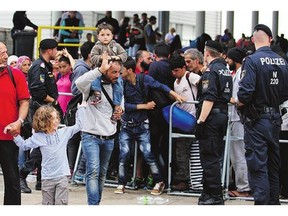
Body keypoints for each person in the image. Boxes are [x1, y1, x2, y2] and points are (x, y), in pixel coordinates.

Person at [114, 56, 185, 195]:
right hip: (127, 124)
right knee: (124, 154)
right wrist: (144, 106)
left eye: (120, 71)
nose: (118, 74)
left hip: (142, 124)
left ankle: (159, 182)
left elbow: (160, 86)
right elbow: (123, 106)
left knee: (148, 154)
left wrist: (174, 94)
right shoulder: (120, 84)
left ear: (129, 70)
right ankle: (121, 183)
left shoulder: (143, 79)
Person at [236, 24, 288, 205]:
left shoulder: (251, 60)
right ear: (270, 40)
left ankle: (263, 206)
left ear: (252, 40)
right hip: (275, 118)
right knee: (273, 165)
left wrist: (237, 102)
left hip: (257, 121)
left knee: (258, 166)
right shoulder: (282, 60)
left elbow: (244, 94)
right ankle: (273, 204)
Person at [5, 101, 87, 205]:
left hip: (62, 176)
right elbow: (24, 145)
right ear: (44, 121)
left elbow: (79, 125)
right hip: (47, 178)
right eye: (53, 118)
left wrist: (81, 109)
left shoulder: (64, 132)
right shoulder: (38, 137)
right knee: (47, 205)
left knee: (61, 204)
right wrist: (15, 134)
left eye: (57, 117)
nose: (57, 120)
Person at [75, 52, 124, 205]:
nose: (117, 75)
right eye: (113, 72)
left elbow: (121, 103)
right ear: (104, 71)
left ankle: (97, 203)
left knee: (102, 173)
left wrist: (120, 110)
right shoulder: (92, 85)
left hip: (109, 135)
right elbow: (79, 83)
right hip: (91, 135)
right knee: (93, 172)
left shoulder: (118, 86)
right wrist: (99, 70)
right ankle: (93, 205)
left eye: (119, 72)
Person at [19, 38, 60, 194]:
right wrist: (54, 101)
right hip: (41, 111)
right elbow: (38, 91)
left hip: (46, 110)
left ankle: (40, 181)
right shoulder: (38, 67)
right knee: (42, 145)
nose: (56, 52)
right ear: (49, 50)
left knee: (46, 146)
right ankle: (22, 174)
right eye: (55, 49)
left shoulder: (46, 66)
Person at [195, 40, 233, 205]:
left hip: (211, 116)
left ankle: (215, 195)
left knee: (209, 157)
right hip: (222, 114)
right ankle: (208, 192)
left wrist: (200, 121)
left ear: (207, 53)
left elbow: (209, 98)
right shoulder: (225, 69)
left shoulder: (211, 70)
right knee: (213, 156)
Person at [0, 42, 30, 205]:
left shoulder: (15, 75)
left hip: (9, 137)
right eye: (1, 53)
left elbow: (24, 101)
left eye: (6, 52)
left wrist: (19, 121)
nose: (5, 56)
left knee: (12, 181)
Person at [169, 53, 202, 191]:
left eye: (177, 70)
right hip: (182, 121)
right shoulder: (175, 83)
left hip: (192, 119)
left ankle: (184, 180)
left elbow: (204, 85)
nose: (174, 73)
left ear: (184, 68)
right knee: (180, 151)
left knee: (184, 151)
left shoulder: (190, 77)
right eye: (172, 71)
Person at [225, 47, 251, 197]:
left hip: (238, 117)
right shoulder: (238, 73)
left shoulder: (241, 73)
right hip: (236, 117)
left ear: (234, 59)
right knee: (237, 154)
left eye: (229, 58)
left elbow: (241, 96)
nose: (227, 61)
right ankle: (243, 186)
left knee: (239, 154)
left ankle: (244, 188)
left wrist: (233, 100)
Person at [90, 22, 127, 123]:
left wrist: (114, 58)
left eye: (108, 35)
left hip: (114, 71)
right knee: (95, 77)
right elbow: (93, 58)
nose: (105, 37)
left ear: (112, 36)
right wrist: (102, 58)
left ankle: (117, 106)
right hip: (101, 70)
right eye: (102, 35)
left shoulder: (116, 45)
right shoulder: (97, 47)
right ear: (98, 36)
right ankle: (97, 94)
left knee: (119, 85)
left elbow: (124, 55)